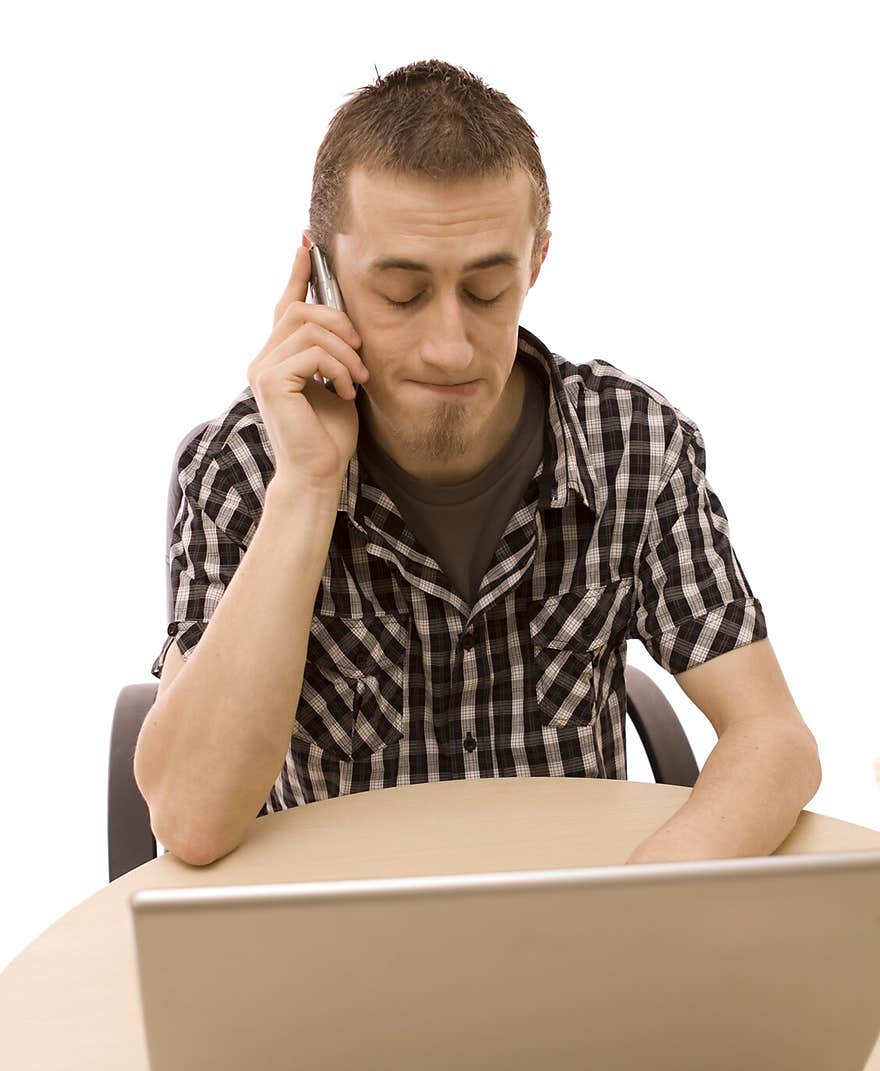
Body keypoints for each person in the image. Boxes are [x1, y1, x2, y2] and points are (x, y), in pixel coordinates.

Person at [134, 59, 821, 868]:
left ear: (536, 263)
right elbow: (189, 819)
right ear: (322, 275)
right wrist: (307, 488)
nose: (451, 345)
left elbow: (773, 735)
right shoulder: (243, 467)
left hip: (573, 934)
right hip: (335, 953)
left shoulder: (633, 443)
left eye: (489, 290)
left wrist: (644, 900)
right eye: (401, 293)